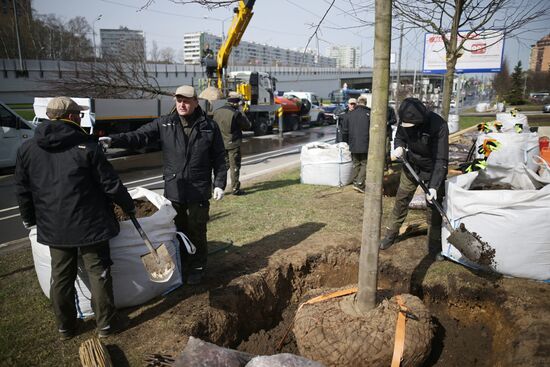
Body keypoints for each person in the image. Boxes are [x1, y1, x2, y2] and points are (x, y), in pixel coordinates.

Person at [15, 96, 135, 340]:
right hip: (90, 224)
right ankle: (106, 326)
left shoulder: (27, 149)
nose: (81, 117)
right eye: (78, 114)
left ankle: (66, 327)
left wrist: (29, 219)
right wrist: (128, 206)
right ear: (70, 117)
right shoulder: (87, 147)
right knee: (98, 272)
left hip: (54, 226)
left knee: (61, 277)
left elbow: (23, 189)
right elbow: (110, 185)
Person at [99, 86, 227, 285]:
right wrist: (113, 140)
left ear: (195, 102)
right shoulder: (165, 124)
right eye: (178, 100)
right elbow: (139, 136)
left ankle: (197, 267)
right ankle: (182, 264)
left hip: (198, 190)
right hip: (175, 189)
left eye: (186, 100)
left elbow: (220, 157)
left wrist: (219, 183)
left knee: (197, 230)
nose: (182, 104)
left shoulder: (209, 126)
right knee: (177, 230)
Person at [380, 97, 449, 254]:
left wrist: (434, 186)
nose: (408, 128)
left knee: (433, 209)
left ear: (420, 120)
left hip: (432, 171)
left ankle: (434, 247)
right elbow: (400, 137)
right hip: (411, 166)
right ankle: (390, 234)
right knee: (401, 200)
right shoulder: (405, 117)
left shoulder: (439, 126)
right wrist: (399, 147)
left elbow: (441, 159)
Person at [213, 91, 251, 195]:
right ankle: (235, 188)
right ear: (237, 102)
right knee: (235, 166)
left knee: (223, 166)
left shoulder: (217, 111)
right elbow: (247, 125)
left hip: (220, 143)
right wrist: (241, 111)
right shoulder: (236, 113)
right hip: (233, 143)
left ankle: (218, 186)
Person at [341, 95, 371, 193]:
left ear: (358, 103)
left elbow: (344, 130)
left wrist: (346, 142)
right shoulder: (369, 113)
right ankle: (360, 183)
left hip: (352, 143)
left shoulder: (349, 114)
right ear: (365, 103)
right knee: (364, 163)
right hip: (365, 142)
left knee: (356, 163)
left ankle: (355, 182)